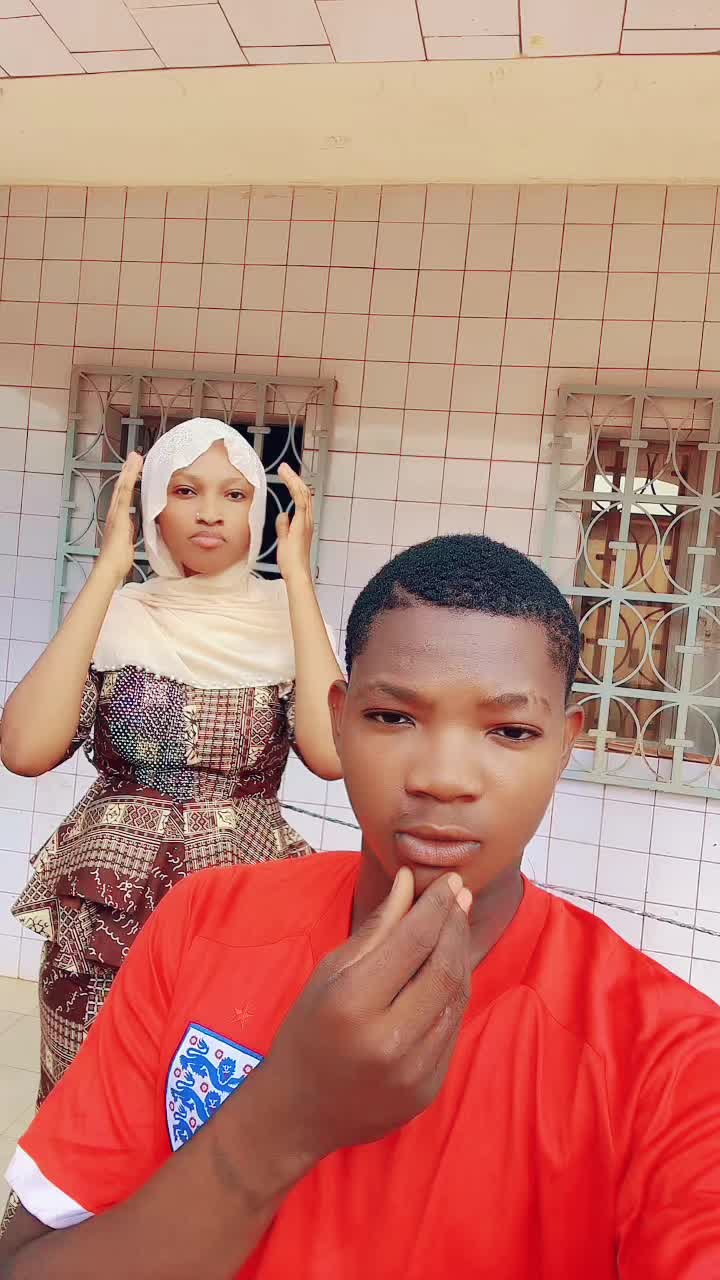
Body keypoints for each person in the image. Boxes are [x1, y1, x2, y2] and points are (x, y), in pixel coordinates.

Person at [1, 533, 719, 1279]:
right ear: (339, 719)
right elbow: (28, 1264)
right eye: (393, 717)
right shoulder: (204, 922)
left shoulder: (668, 1057)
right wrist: (284, 1116)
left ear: (564, 745)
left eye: (510, 731)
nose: (443, 777)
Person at [0, 418, 342, 1102]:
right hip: (107, 906)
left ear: (259, 511)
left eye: (235, 495)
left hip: (239, 902)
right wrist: (108, 571)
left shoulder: (290, 618)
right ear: (153, 503)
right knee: (88, 1105)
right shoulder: (118, 612)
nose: (211, 512)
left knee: (209, 1113)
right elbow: (24, 749)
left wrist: (298, 578)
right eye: (185, 490)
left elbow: (333, 755)